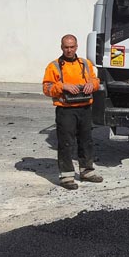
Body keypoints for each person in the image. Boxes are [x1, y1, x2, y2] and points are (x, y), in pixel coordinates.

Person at [42, 34, 102, 190]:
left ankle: (87, 171)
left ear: (76, 47)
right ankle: (67, 177)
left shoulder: (85, 64)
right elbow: (47, 88)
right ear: (62, 47)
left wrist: (92, 85)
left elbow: (96, 81)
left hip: (85, 108)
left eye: (72, 47)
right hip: (66, 110)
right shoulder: (53, 66)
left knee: (86, 141)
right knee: (66, 143)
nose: (69, 50)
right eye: (66, 47)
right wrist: (63, 86)